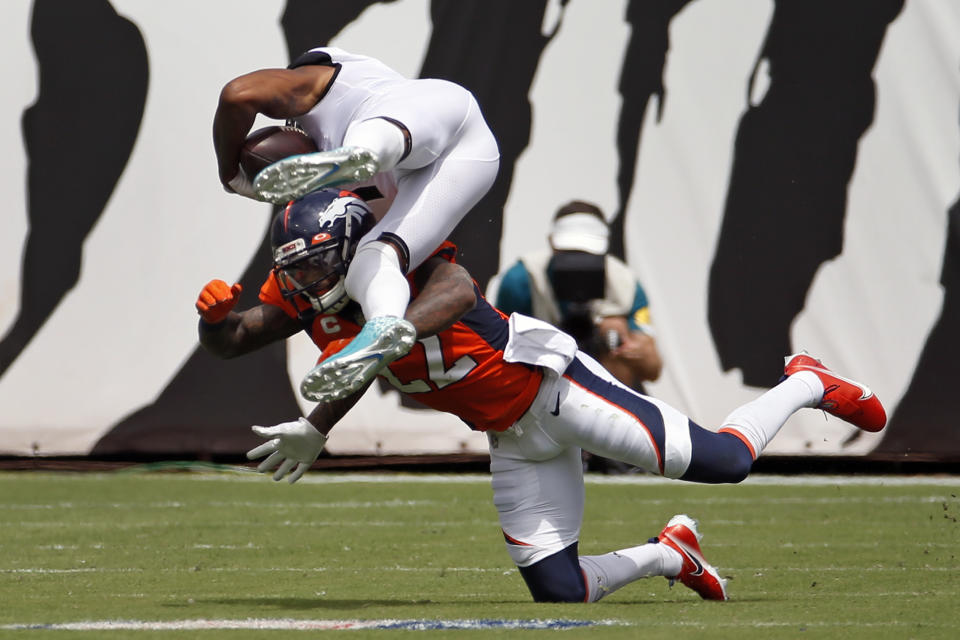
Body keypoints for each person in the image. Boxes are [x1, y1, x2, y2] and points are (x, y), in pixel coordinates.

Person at [195, 188, 887, 603]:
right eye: (299, 266)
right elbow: (238, 341)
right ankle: (672, 553)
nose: (309, 278)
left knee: (726, 463)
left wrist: (378, 338)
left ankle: (805, 381)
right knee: (560, 591)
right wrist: (216, 321)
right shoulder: (304, 292)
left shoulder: (403, 260)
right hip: (514, 440)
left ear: (353, 246)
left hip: (556, 388)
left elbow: (459, 292)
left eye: (319, 261)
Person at [212, 46, 500, 404]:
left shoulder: (325, 82)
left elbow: (237, 94)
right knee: (376, 256)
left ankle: (357, 154)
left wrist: (230, 175)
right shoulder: (355, 194)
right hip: (464, 163)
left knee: (375, 135)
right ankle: (384, 325)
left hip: (419, 115)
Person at [492, 199, 662, 393]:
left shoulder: (624, 283)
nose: (577, 262)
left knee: (616, 327)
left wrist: (622, 342)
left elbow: (653, 369)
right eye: (568, 252)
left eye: (587, 253)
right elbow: (498, 352)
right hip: (537, 383)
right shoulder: (523, 280)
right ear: (551, 243)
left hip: (608, 388)